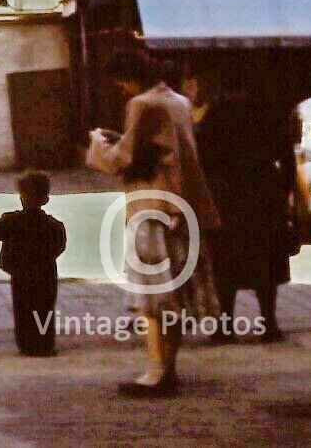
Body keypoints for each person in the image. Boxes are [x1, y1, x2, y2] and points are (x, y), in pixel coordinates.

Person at [86, 49, 220, 397]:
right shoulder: (177, 101)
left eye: (120, 83)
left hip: (151, 203)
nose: (120, 90)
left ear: (128, 78)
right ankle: (168, 368)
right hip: (182, 206)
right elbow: (166, 150)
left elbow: (126, 157)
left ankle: (154, 371)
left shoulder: (142, 104)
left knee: (152, 296)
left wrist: (99, 145)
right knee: (173, 294)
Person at [194, 78, 292, 343]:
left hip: (226, 196)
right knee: (266, 262)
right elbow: (286, 157)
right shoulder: (268, 112)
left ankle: (225, 326)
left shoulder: (216, 114)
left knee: (225, 263)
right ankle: (268, 324)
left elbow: (201, 157)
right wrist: (284, 194)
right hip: (264, 194)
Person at [0, 171, 67, 357]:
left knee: (23, 309)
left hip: (20, 274)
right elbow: (59, 246)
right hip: (46, 274)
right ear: (45, 199)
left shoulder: (12, 220)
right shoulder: (54, 225)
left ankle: (26, 344)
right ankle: (45, 344)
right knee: (45, 309)